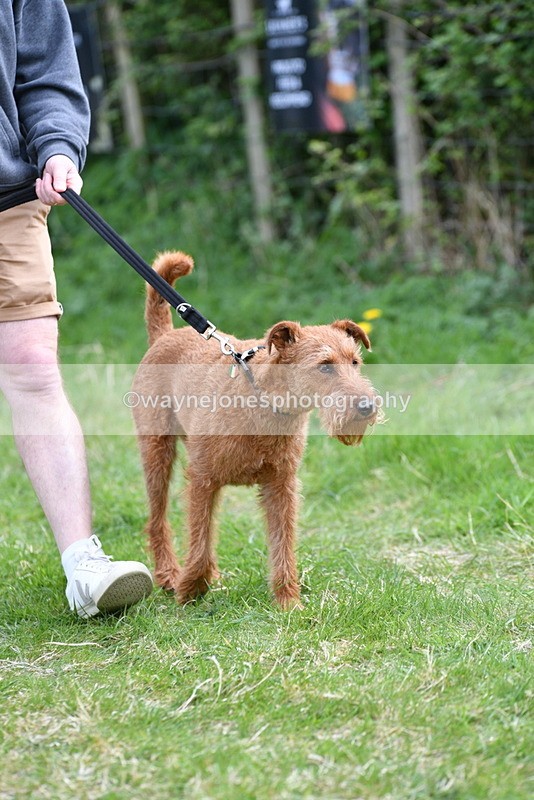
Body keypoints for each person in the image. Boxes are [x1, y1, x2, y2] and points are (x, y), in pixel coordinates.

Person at [0, 0, 153, 617]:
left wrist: (58, 145)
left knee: (34, 367)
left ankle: (83, 569)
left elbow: (44, 71)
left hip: (6, 197)